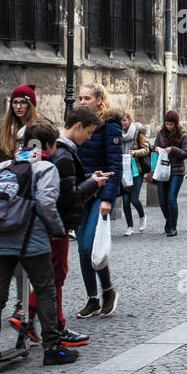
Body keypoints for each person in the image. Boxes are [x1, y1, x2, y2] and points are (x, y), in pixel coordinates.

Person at [0, 120, 80, 369]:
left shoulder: (4, 165)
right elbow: (45, 203)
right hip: (31, 239)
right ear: (48, 144)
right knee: (45, 289)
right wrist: (56, 229)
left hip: (0, 237)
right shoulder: (45, 167)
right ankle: (52, 348)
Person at [13, 105, 106, 347]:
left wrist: (88, 178)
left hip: (44, 224)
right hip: (57, 224)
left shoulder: (58, 152)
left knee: (52, 276)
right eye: (89, 132)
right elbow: (67, 197)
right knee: (56, 277)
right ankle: (46, 322)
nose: (90, 137)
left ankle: (34, 318)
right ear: (78, 126)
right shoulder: (63, 154)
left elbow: (65, 186)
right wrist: (93, 185)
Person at [75, 83, 123, 319]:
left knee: (88, 244)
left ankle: (108, 290)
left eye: (87, 98)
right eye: (80, 98)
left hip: (100, 193)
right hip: (81, 190)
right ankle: (94, 297)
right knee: (83, 249)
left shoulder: (110, 126)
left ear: (100, 100)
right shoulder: (78, 122)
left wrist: (107, 198)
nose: (82, 102)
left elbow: (116, 166)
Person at [148, 110, 187, 236]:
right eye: (167, 124)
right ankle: (168, 219)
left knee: (171, 198)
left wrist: (172, 149)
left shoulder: (183, 135)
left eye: (171, 124)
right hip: (162, 170)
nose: (169, 126)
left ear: (176, 124)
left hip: (177, 171)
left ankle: (173, 226)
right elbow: (154, 147)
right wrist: (155, 149)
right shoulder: (161, 134)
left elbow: (186, 153)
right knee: (162, 200)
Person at [0, 84, 39, 175]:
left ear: (30, 105)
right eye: (15, 102)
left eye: (23, 102)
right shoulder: (3, 128)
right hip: (5, 182)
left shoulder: (40, 128)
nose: (18, 107)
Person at [120, 111, 149, 236]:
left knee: (134, 198)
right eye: (120, 121)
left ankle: (142, 216)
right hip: (123, 169)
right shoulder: (116, 133)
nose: (122, 123)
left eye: (124, 120)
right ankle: (130, 226)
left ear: (129, 120)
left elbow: (146, 149)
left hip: (136, 169)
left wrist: (135, 153)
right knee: (125, 200)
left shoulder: (137, 132)